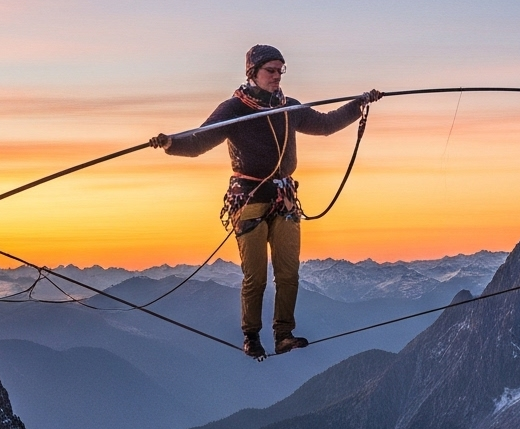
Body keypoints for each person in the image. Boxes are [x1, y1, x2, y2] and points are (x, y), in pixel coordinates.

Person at [152, 45, 381, 358]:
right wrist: (169, 144)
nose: (276, 76)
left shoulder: (289, 108)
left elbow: (326, 125)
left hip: (284, 199)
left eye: (280, 70)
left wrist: (359, 104)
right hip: (249, 200)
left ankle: (283, 334)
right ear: (252, 73)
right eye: (270, 70)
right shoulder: (233, 109)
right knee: (256, 275)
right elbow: (197, 142)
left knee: (288, 273)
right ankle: (252, 336)